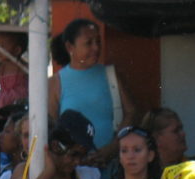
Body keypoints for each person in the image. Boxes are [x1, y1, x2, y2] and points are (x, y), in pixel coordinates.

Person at [49, 18, 136, 167]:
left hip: (111, 164)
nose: (96, 48)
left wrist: (112, 148)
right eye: (89, 43)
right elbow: (51, 126)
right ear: (70, 47)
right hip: (75, 168)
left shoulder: (111, 75)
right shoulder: (56, 82)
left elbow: (131, 112)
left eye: (98, 42)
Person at [0, 32, 28, 110]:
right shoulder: (1, 66)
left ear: (17, 50)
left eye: (2, 47)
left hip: (19, 96)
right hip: (4, 97)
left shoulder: (21, 65)